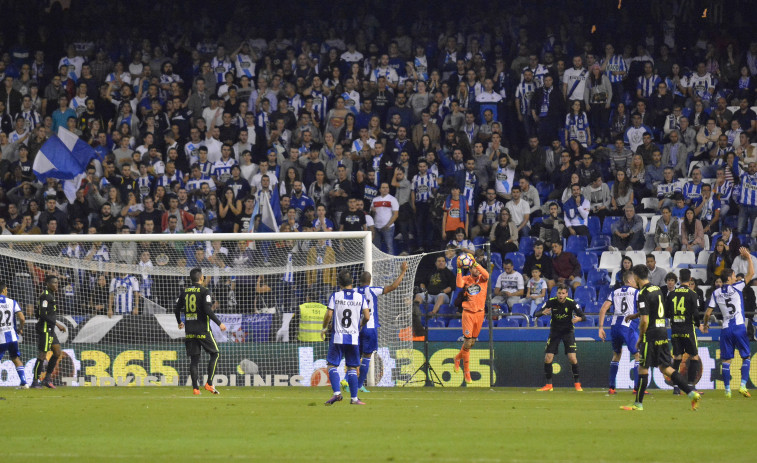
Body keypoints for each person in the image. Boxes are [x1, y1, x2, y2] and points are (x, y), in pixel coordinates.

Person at [621, 265, 701, 411]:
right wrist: (635, 315)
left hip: (650, 335)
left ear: (637, 277)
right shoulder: (657, 289)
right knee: (665, 368)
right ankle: (691, 393)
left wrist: (640, 338)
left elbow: (645, 321)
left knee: (643, 367)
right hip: (662, 332)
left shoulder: (642, 293)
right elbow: (656, 310)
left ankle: (638, 404)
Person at [701, 248, 754, 398]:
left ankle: (727, 390)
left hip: (725, 329)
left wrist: (705, 325)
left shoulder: (716, 292)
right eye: (733, 276)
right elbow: (751, 274)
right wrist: (749, 257)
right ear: (730, 278)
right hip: (738, 327)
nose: (735, 278)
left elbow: (708, 313)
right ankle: (743, 385)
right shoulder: (737, 287)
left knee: (726, 360)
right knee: (746, 357)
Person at [355, 262, 407, 393]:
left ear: (359, 281)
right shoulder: (373, 290)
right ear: (370, 280)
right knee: (367, 356)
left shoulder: (353, 292)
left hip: (355, 328)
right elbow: (393, 286)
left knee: (355, 356)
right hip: (369, 327)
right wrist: (402, 272)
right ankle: (360, 384)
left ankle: (346, 380)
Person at [174, 267, 227, 395]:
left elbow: (176, 309)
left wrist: (179, 322)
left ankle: (195, 389)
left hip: (190, 330)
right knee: (215, 354)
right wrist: (219, 323)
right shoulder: (205, 291)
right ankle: (209, 383)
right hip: (203, 330)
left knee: (194, 360)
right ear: (201, 278)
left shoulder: (184, 292)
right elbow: (208, 310)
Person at [322, 270, 370, 406]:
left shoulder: (335, 296)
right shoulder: (360, 297)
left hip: (338, 337)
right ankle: (354, 398)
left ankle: (337, 394)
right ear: (352, 282)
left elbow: (328, 315)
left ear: (339, 283)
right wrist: (360, 325)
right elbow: (367, 316)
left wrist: (324, 328)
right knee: (352, 368)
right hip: (354, 338)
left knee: (332, 365)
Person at [534, 283, 586, 392]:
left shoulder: (571, 303)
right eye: (559, 293)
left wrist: (579, 319)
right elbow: (535, 313)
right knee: (548, 358)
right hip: (555, 332)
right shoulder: (551, 302)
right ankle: (549, 385)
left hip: (568, 331)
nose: (561, 295)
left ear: (567, 294)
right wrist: (542, 312)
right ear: (556, 293)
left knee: (572, 358)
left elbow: (583, 316)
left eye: (563, 293)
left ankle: (577, 384)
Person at [598, 271, 640, 394]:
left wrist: (600, 327)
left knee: (616, 355)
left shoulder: (614, 292)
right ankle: (637, 388)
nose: (636, 282)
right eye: (635, 280)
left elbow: (603, 309)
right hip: (628, 326)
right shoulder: (636, 292)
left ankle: (611, 387)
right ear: (629, 281)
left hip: (615, 326)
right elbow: (643, 308)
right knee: (638, 355)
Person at [453, 253, 489, 384]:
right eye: (473, 268)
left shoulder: (483, 279)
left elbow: (487, 274)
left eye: (476, 268)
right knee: (467, 343)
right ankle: (466, 373)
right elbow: (458, 284)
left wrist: (475, 263)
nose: (475, 270)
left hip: (480, 313)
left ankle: (457, 358)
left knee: (472, 343)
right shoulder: (466, 279)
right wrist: (458, 269)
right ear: (469, 269)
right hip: (468, 313)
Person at [666, 273, 702, 395]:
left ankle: (676, 387)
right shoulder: (693, 294)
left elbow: (666, 313)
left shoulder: (671, 294)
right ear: (690, 279)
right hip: (688, 329)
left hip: (675, 329)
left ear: (679, 279)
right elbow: (696, 314)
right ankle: (691, 385)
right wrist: (698, 324)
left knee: (677, 358)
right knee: (694, 357)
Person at [30, 275, 67, 388]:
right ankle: (35, 381)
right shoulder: (45, 296)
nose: (56, 285)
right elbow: (42, 314)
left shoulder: (51, 295)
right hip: (44, 329)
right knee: (42, 355)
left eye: (57, 282)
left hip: (50, 329)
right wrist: (57, 324)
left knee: (57, 352)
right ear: (48, 284)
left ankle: (47, 379)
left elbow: (39, 312)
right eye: (54, 283)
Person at [0, 280, 28, 388]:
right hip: (12, 337)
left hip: (1, 338)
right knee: (16, 358)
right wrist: (20, 329)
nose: (7, 291)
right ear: (3, 290)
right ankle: (24, 383)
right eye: (6, 289)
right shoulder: (12, 302)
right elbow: (22, 318)